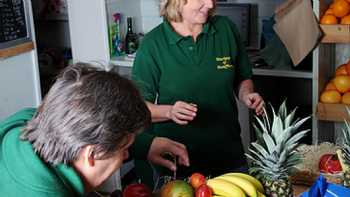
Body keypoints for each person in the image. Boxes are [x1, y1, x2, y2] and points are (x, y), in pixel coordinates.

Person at [0, 63, 188, 196]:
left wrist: (147, 144)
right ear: (91, 154)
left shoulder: (26, 122)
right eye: (124, 150)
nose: (125, 156)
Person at [131, 0, 264, 187]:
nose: (210, 4)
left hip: (229, 157)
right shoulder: (152, 45)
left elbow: (242, 77)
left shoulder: (226, 29)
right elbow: (137, 109)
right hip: (179, 165)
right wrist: (170, 111)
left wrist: (246, 94)